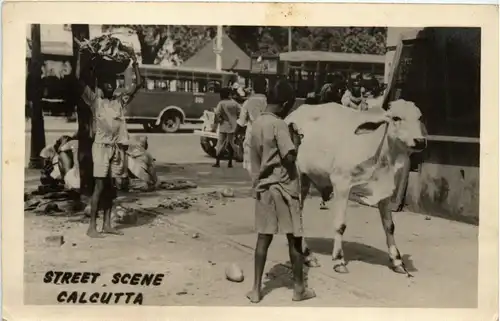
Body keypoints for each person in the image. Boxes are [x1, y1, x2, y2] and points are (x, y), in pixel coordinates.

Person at [247, 79, 316, 303]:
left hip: (264, 187)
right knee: (294, 238)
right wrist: (296, 140)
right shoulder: (279, 125)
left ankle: (256, 289)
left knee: (263, 239)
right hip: (285, 187)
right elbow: (289, 157)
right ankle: (298, 288)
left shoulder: (256, 124)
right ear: (286, 103)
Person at [75, 43, 142, 238]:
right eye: (108, 83)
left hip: (116, 147)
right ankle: (91, 227)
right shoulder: (95, 101)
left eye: (114, 83)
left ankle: (107, 224)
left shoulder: (120, 101)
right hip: (101, 148)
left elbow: (138, 84)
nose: (111, 86)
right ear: (102, 85)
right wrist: (81, 55)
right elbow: (78, 79)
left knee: (111, 188)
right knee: (99, 186)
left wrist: (135, 60)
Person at [235, 75, 267, 175]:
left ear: (253, 87)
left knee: (253, 168)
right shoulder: (269, 102)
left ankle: (257, 186)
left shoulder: (248, 102)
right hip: (268, 136)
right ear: (266, 87)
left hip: (252, 137)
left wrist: (235, 135)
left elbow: (241, 122)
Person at [213, 87, 241, 168]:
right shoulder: (234, 103)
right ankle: (230, 163)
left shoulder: (221, 103)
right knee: (230, 143)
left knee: (220, 143)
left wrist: (216, 124)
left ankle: (217, 162)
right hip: (233, 126)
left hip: (223, 126)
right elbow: (240, 112)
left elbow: (217, 114)